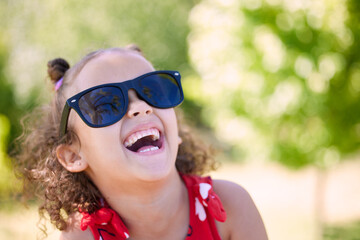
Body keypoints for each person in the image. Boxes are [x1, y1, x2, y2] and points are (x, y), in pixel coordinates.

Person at [14, 45, 268, 240]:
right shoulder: (83, 236)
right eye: (106, 104)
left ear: (175, 130)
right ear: (73, 156)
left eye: (152, 91)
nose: (141, 106)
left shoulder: (229, 205)